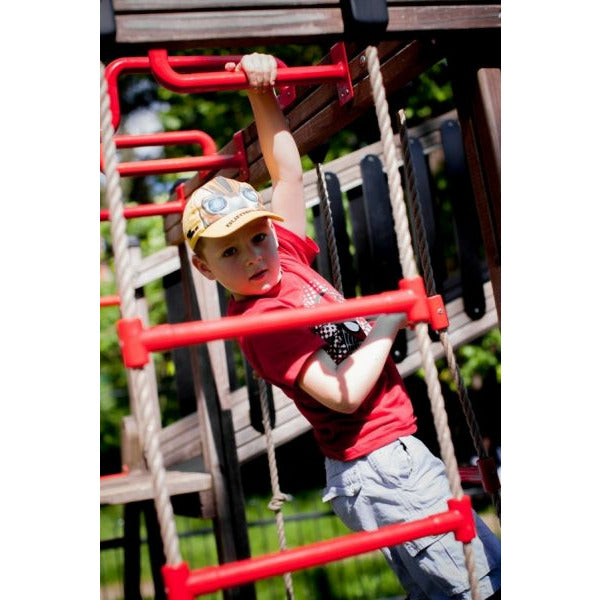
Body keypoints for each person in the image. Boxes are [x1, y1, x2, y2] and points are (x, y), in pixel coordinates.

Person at [182, 52, 501, 600]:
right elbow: (346, 392)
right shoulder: (264, 319)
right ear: (206, 268)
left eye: (258, 236)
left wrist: (261, 93)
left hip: (385, 462)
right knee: (486, 584)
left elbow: (286, 172)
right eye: (231, 251)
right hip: (379, 465)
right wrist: (392, 316)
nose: (255, 256)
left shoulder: (291, 262)